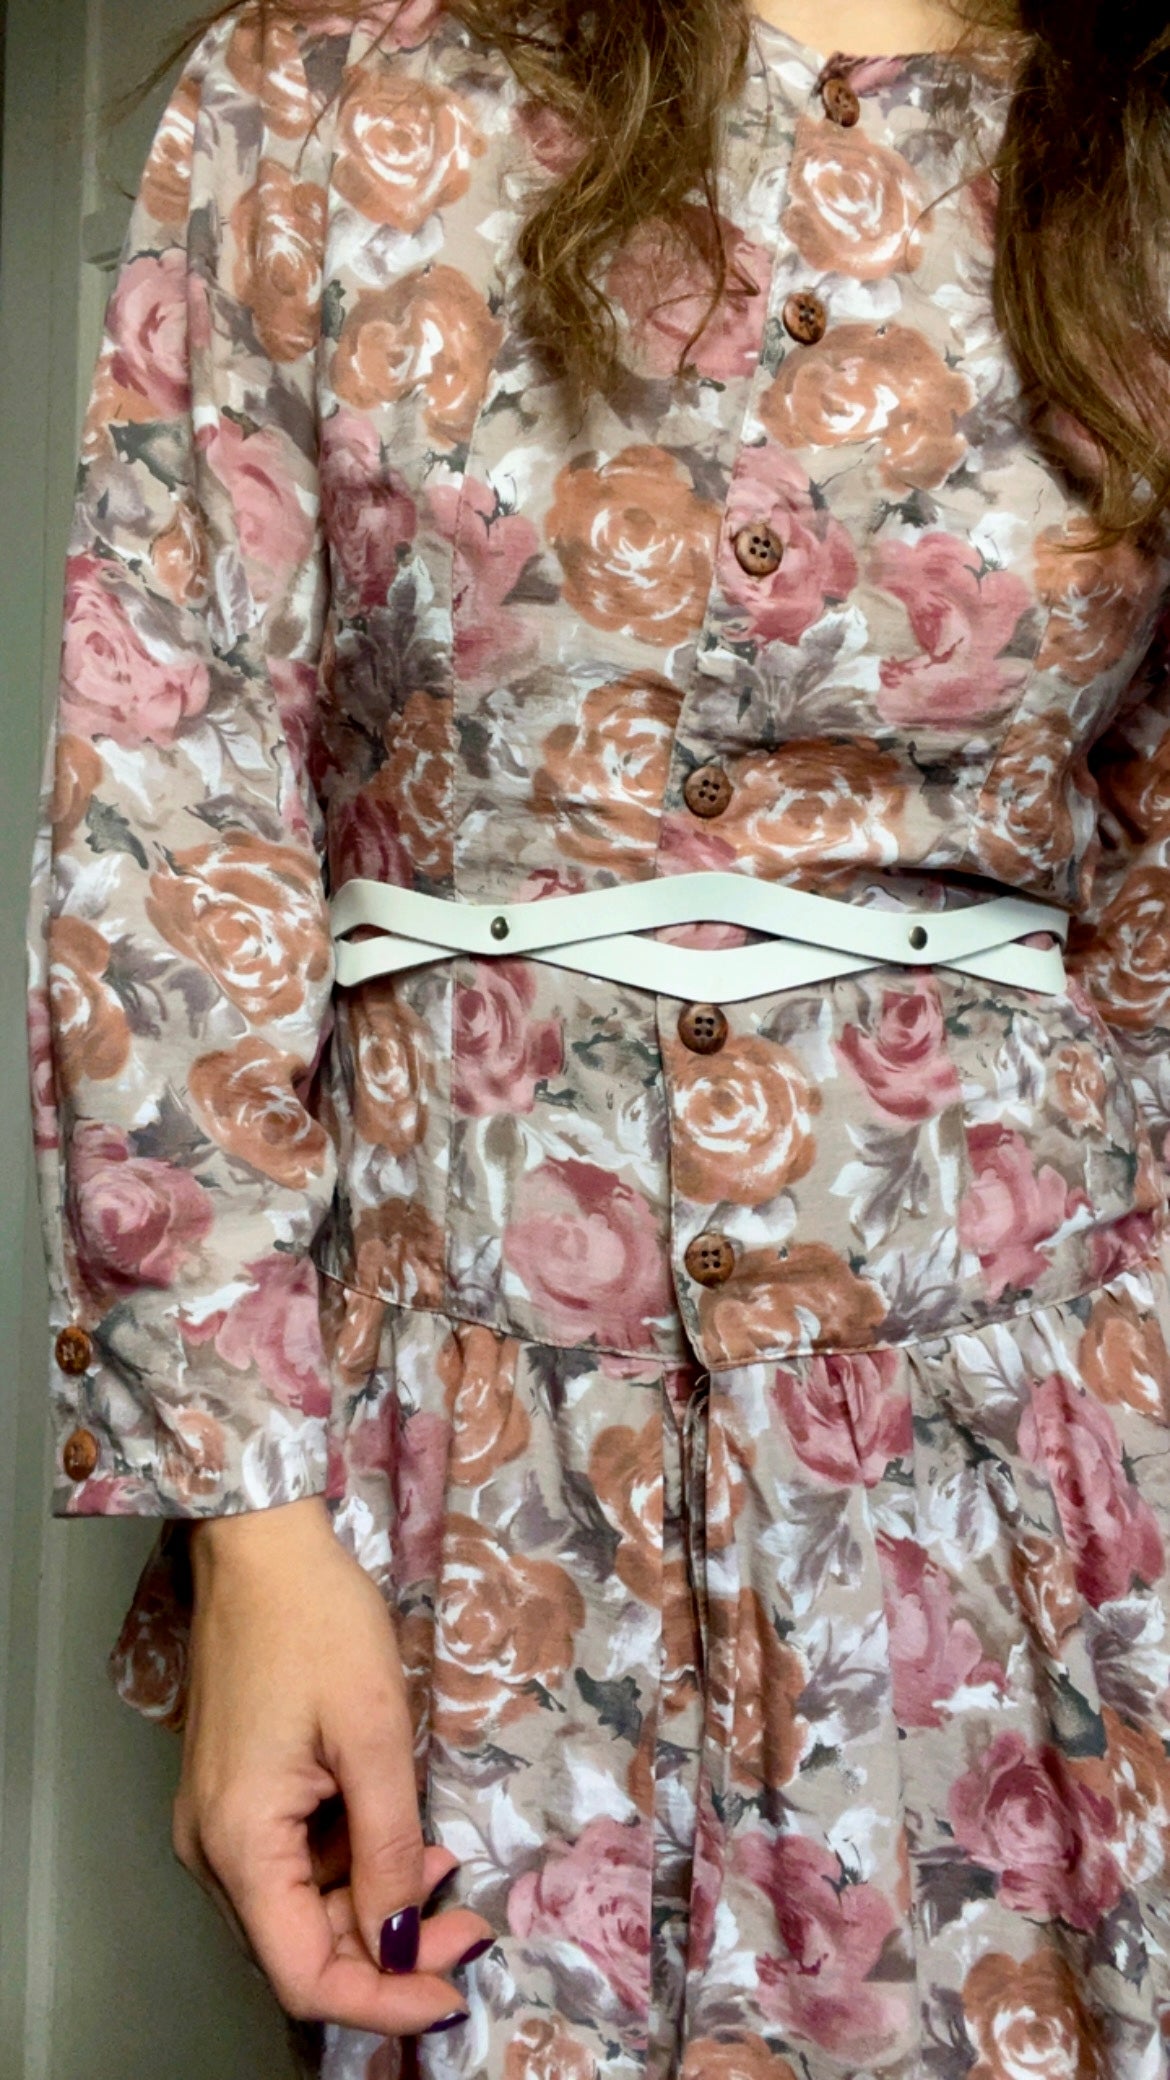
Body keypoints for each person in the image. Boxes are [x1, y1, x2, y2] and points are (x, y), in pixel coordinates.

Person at [25, 0, 1170, 2070]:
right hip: (472, 1485)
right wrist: (247, 1513)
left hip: (1054, 1468)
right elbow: (174, 798)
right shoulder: (336, 90)